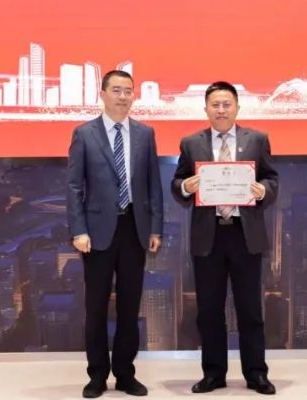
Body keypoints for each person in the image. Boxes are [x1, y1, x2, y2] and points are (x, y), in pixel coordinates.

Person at [172, 81, 279, 395]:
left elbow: (272, 179)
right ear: (206, 109)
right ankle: (214, 373)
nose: (221, 110)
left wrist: (263, 191)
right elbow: (177, 183)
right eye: (215, 105)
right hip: (209, 236)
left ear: (237, 107)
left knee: (250, 310)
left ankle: (256, 374)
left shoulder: (257, 140)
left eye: (226, 104)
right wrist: (185, 187)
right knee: (209, 311)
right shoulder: (191, 143)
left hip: (245, 236)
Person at [67, 70, 163, 398]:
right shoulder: (84, 134)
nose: (123, 97)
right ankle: (97, 376)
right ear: (103, 94)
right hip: (96, 233)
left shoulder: (145, 133)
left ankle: (125, 374)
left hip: (134, 229)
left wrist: (155, 227)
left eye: (128, 91)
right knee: (95, 307)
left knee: (129, 307)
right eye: (117, 90)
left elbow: (153, 185)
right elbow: (74, 186)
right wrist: (78, 229)